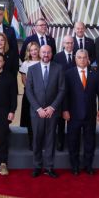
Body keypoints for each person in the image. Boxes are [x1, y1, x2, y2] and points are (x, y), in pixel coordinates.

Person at [62, 49, 99, 175]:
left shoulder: (95, 74)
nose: (82, 60)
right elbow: (65, 94)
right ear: (75, 59)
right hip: (73, 114)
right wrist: (65, 110)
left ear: (88, 59)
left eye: (84, 57)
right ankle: (75, 166)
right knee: (73, 141)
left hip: (90, 114)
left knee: (90, 141)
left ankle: (88, 166)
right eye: (79, 57)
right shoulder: (68, 74)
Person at [26, 45, 65, 178]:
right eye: (43, 52)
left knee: (50, 139)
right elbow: (29, 91)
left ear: (52, 53)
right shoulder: (32, 69)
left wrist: (52, 107)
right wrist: (38, 108)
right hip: (36, 112)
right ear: (39, 53)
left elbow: (62, 90)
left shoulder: (58, 68)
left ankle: (49, 167)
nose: (46, 54)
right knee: (37, 139)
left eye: (48, 52)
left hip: (52, 112)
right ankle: (37, 166)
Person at [53, 35, 76, 151]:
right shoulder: (57, 57)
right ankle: (60, 142)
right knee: (60, 121)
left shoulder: (78, 56)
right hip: (60, 92)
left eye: (71, 43)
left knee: (73, 120)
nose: (69, 45)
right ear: (63, 44)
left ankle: (72, 143)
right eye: (67, 43)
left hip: (75, 93)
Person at [19, 41, 41, 150]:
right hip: (29, 95)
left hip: (42, 95)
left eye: (35, 49)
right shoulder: (25, 64)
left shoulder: (43, 62)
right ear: (28, 52)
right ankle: (32, 142)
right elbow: (24, 81)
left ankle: (40, 142)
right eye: (31, 50)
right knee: (30, 120)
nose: (34, 52)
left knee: (41, 120)